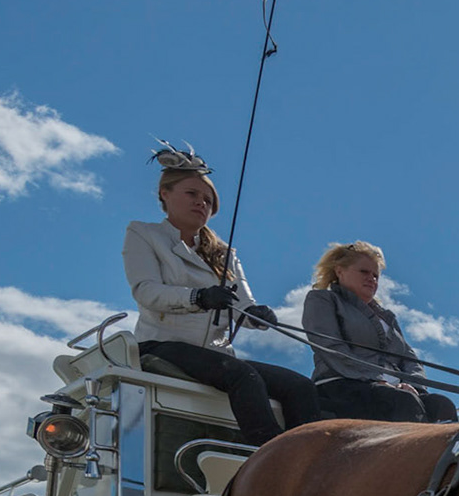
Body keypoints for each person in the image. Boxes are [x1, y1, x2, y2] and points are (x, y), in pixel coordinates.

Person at [122, 144, 322, 446]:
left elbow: (242, 304)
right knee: (243, 376)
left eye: (207, 200)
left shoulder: (224, 253)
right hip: (162, 344)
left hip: (216, 354)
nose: (201, 203)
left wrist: (258, 315)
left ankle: (309, 459)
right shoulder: (143, 234)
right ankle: (268, 457)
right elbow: (146, 291)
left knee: (301, 387)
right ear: (165, 193)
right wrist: (197, 297)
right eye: (192, 194)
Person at [304, 241, 458, 424]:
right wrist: (373, 378)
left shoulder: (387, 317)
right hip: (343, 384)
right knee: (401, 401)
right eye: (364, 272)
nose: (372, 279)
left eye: (376, 275)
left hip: (394, 390)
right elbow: (330, 346)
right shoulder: (323, 299)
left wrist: (414, 384)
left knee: (441, 405)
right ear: (340, 271)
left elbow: (410, 359)